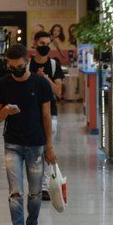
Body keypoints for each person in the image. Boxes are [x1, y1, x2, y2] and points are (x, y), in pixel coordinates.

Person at [0, 44, 57, 225]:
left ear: (26, 61)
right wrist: (6, 112)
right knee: (15, 191)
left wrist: (49, 145)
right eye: (12, 67)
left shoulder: (41, 84)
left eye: (19, 66)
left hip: (36, 144)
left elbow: (46, 115)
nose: (16, 70)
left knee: (36, 192)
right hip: (12, 144)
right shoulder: (2, 84)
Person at [30, 31, 65, 201]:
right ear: (34, 44)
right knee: (32, 151)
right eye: (41, 43)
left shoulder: (53, 65)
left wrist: (45, 79)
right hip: (30, 114)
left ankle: (44, 187)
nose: (45, 46)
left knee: (47, 149)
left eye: (47, 43)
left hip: (50, 113)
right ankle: (33, 185)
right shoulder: (28, 64)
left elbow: (58, 92)